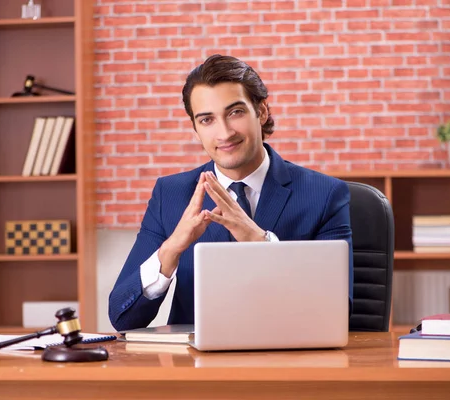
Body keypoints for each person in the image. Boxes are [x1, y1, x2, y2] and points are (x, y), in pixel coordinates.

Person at [109, 54, 353, 331]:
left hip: (287, 361)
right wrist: (170, 250)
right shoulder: (171, 194)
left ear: (261, 112)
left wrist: (259, 242)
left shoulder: (324, 194)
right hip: (198, 367)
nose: (224, 133)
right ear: (195, 129)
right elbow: (122, 317)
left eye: (235, 112)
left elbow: (338, 311)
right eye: (207, 120)